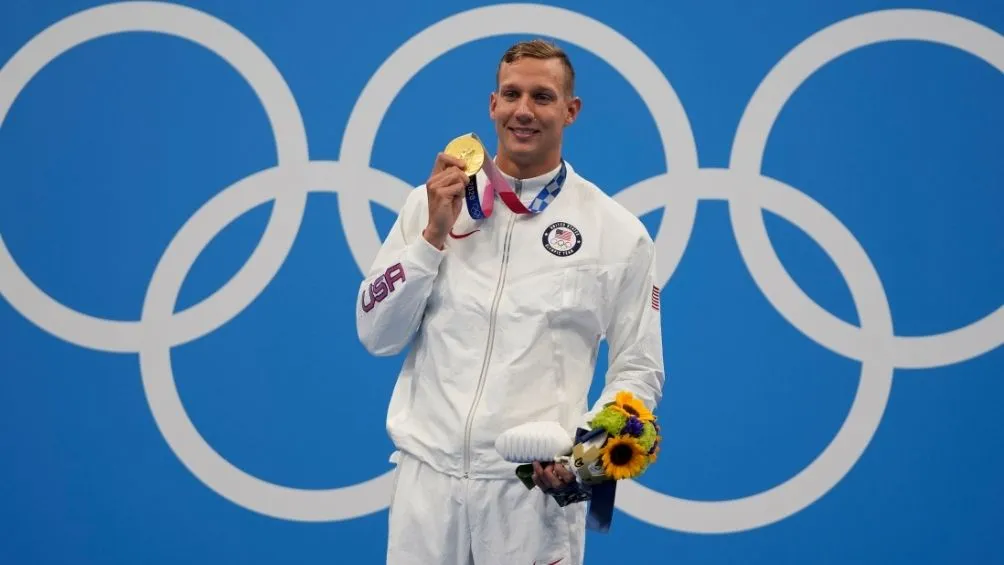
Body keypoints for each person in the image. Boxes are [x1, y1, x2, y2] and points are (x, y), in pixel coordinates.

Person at [355, 38, 665, 565]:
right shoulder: (432, 203)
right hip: (426, 490)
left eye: (542, 97)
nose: (524, 110)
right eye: (511, 94)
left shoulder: (617, 233)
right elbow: (376, 336)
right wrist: (431, 237)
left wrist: (585, 461)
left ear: (571, 111)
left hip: (530, 498)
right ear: (492, 105)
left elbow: (638, 371)